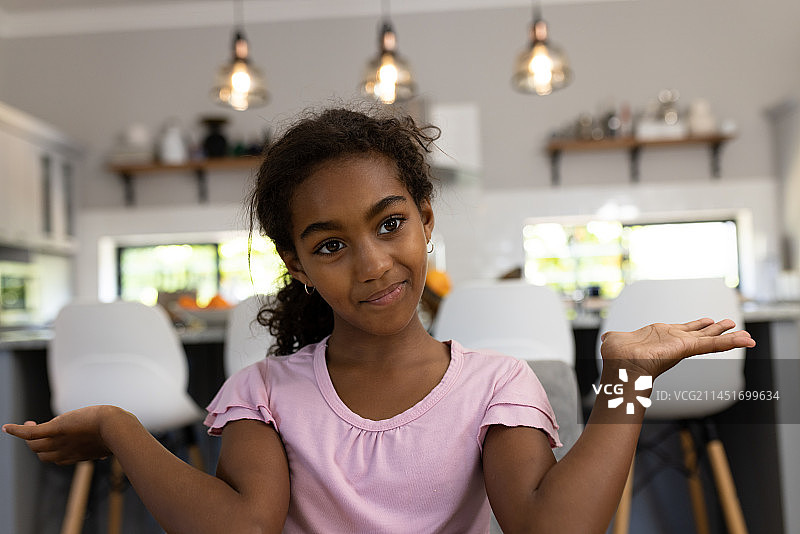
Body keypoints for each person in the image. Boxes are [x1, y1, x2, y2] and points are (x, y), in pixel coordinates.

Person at [2, 105, 755, 534]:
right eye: (330, 244)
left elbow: (547, 528)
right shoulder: (263, 392)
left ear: (426, 220)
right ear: (298, 263)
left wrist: (625, 379)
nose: (371, 264)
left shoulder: (498, 384)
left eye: (390, 224)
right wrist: (119, 427)